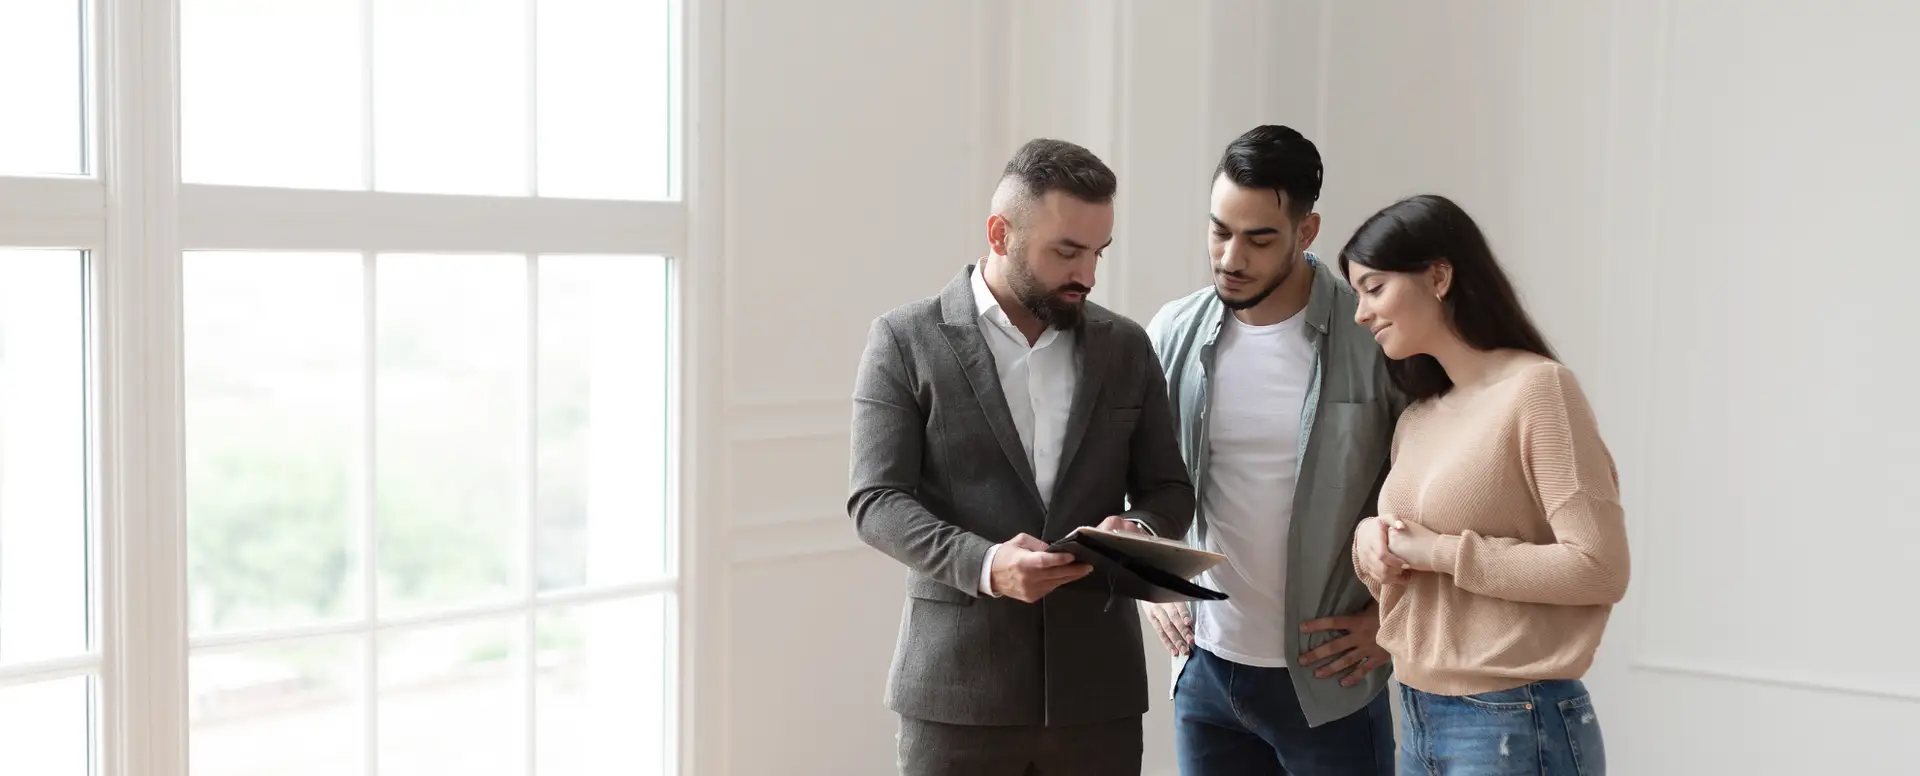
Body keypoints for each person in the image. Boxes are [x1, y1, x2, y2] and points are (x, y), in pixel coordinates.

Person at [848, 137, 1195, 776]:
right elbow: (875, 500)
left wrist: (1139, 530)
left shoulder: (1126, 347)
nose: (1087, 275)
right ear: (1000, 233)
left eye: (1098, 252)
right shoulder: (905, 340)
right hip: (956, 695)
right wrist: (985, 564)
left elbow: (1169, 488)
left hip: (1099, 697)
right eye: (1067, 251)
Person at [1144, 125, 1401, 775]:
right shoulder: (1173, 332)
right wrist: (1149, 581)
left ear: (1306, 232)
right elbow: (1136, 474)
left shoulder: (1373, 338)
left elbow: (1432, 497)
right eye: (1219, 231)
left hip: (1328, 682)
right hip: (1205, 676)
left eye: (1259, 238)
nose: (1231, 257)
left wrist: (1390, 619)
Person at [1342, 194, 1630, 775]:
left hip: (1513, 719)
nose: (1361, 313)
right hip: (1420, 714)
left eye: (1374, 289)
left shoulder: (1540, 392)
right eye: (1356, 295)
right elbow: (1418, 567)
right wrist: (1370, 542)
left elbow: (1600, 567)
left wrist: (1439, 553)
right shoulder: (1418, 417)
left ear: (1440, 276)